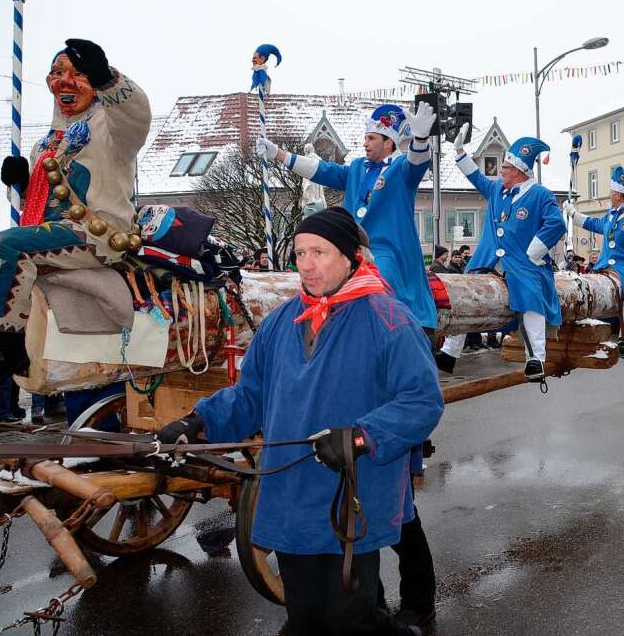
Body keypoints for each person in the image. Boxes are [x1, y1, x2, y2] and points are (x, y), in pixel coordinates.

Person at [159, 208, 443, 634]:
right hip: (291, 493)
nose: (306, 264)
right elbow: (250, 394)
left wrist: (362, 437)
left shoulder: (390, 319)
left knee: (349, 618)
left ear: (351, 257)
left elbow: (422, 402)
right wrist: (199, 422)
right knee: (306, 615)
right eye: (300, 253)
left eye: (319, 252)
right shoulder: (281, 321)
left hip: (350, 492)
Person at [0, 39, 151, 388]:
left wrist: (108, 79)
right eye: (58, 73)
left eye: (78, 74)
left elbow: (136, 113)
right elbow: (47, 203)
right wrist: (22, 185)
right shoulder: (45, 143)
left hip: (98, 233)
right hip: (57, 230)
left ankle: (1, 348)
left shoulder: (111, 127)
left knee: (4, 244)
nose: (66, 81)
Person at [257, 102, 438, 332]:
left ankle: (395, 329)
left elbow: (417, 163)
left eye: (371, 138)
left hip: (390, 251)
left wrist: (421, 140)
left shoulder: (402, 167)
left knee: (384, 287)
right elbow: (320, 170)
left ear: (388, 142)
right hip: (354, 248)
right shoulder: (356, 168)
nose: (365, 143)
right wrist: (278, 154)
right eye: (365, 138)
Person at [438, 129, 566, 381]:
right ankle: (449, 352)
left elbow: (556, 224)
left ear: (518, 172)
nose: (500, 171)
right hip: (486, 258)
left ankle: (535, 358)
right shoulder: (497, 189)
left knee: (530, 296)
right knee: (464, 292)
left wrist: (535, 250)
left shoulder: (540, 194)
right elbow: (475, 177)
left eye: (505, 167)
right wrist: (460, 152)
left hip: (523, 261)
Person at [565, 167, 624, 358]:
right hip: (604, 264)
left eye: (611, 192)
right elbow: (596, 225)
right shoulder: (612, 213)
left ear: (617, 194)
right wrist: (573, 214)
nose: (609, 195)